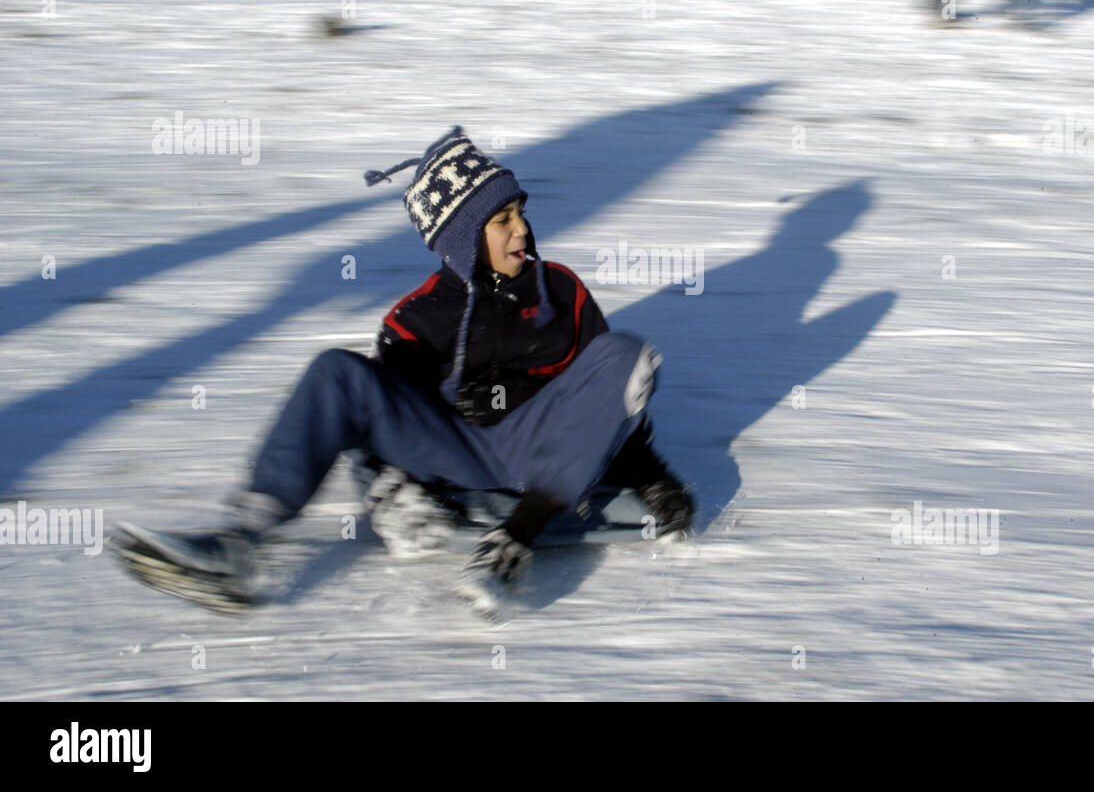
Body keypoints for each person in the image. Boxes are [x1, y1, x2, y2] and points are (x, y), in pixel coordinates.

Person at [114, 127, 694, 615]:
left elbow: (610, 397)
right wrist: (395, 486)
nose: (522, 229)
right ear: (465, 240)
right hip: (460, 447)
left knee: (628, 351)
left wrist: (651, 476)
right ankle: (241, 544)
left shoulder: (561, 291)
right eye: (501, 220)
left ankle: (510, 542)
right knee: (336, 372)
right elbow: (381, 417)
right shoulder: (417, 318)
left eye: (520, 213)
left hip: (545, 445)